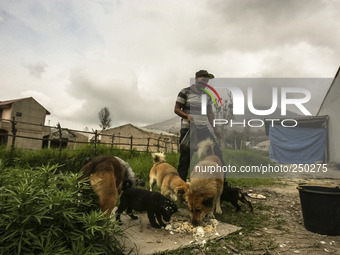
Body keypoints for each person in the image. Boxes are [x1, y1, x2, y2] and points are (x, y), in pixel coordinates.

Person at [174, 70, 225, 181]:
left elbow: (210, 113)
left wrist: (215, 128)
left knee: (217, 155)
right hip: (189, 130)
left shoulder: (207, 95)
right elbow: (176, 109)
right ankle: (180, 187)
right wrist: (187, 116)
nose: (205, 83)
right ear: (196, 78)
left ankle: (223, 185)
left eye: (207, 81)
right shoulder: (185, 92)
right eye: (203, 80)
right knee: (185, 160)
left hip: (203, 130)